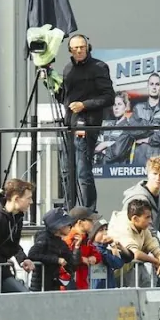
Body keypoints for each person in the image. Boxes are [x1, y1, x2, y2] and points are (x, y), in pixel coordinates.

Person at [57, 32, 115, 212]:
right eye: (75, 48)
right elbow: (64, 98)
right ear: (70, 50)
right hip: (69, 123)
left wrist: (84, 105)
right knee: (67, 170)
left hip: (88, 123)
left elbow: (109, 97)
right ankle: (69, 210)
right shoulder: (68, 69)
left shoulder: (99, 67)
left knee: (83, 170)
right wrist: (50, 83)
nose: (79, 50)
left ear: (88, 47)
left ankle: (88, 212)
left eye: (82, 47)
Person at [106, 196, 160, 285]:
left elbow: (155, 248)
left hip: (128, 269)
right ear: (135, 219)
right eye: (147, 217)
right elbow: (135, 254)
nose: (150, 221)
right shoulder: (123, 228)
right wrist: (157, 262)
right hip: (112, 274)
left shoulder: (142, 227)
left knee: (145, 285)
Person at [25, 206, 85, 290]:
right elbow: (32, 254)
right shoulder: (44, 238)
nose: (70, 227)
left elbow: (73, 265)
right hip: (40, 287)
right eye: (67, 224)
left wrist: (77, 247)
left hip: (54, 285)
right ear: (58, 226)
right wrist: (56, 260)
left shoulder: (61, 243)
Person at [130, 73, 160, 167]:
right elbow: (133, 131)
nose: (154, 87)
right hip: (140, 156)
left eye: (157, 84)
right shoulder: (138, 108)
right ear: (147, 87)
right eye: (151, 84)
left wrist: (148, 139)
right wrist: (155, 128)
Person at [94, 93, 140, 169]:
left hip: (118, 168)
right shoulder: (106, 125)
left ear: (126, 107)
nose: (116, 108)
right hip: (100, 167)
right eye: (114, 105)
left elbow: (117, 152)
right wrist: (105, 144)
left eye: (119, 104)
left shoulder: (128, 127)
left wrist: (102, 149)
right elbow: (94, 145)